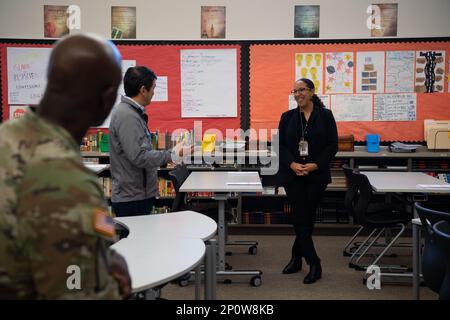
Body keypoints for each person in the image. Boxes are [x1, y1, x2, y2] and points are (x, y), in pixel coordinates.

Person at [0, 33, 131, 299]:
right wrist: (116, 283)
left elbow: (95, 221)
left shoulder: (6, 136)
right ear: (107, 99)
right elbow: (76, 291)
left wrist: (103, 247)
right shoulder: (74, 187)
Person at [277, 78, 338, 284]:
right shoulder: (287, 117)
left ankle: (296, 258)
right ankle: (314, 263)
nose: (298, 94)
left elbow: (332, 145)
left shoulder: (326, 116)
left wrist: (316, 165)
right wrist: (292, 164)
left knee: (307, 220)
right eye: (294, 91)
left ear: (311, 92)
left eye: (301, 90)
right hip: (293, 175)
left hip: (316, 175)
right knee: (300, 219)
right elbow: (281, 146)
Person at [109, 66, 187, 217]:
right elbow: (139, 156)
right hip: (132, 198)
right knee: (135, 240)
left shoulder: (132, 113)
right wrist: (172, 154)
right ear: (143, 90)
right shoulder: (128, 116)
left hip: (137, 194)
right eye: (153, 88)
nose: (154, 93)